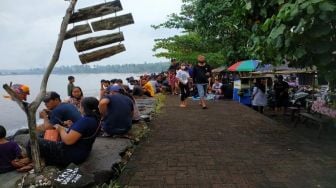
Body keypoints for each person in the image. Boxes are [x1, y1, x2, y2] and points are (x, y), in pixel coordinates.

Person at [32, 97, 101, 166]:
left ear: (84, 108)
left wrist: (61, 129)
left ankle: (33, 160)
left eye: (80, 106)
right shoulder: (95, 119)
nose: (79, 108)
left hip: (71, 155)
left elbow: (68, 141)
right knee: (42, 136)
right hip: (83, 151)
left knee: (33, 141)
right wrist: (71, 125)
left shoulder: (86, 120)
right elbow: (83, 132)